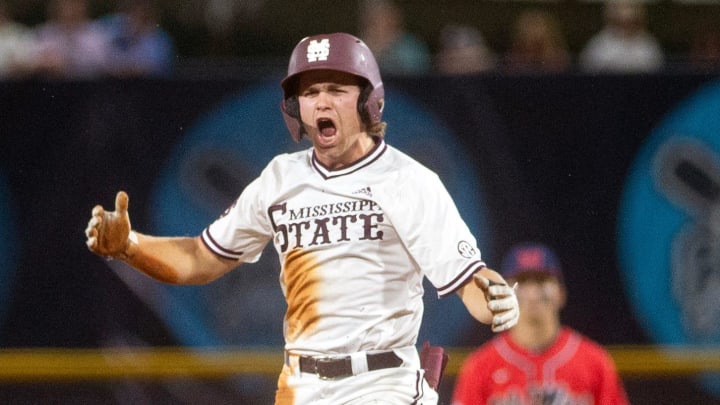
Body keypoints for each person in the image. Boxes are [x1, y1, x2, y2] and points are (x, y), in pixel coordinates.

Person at [85, 32, 520, 405]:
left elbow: (470, 280)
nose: (320, 102)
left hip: (383, 384)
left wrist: (495, 296)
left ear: (370, 101)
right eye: (309, 93)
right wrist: (130, 246)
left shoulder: (408, 180)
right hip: (303, 384)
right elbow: (202, 257)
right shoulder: (280, 177)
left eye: (336, 88)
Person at [452, 242, 630, 405]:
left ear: (561, 293)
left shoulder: (595, 363)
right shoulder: (480, 367)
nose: (532, 293)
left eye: (541, 280)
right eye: (521, 282)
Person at [29, 0, 110, 79]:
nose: (69, 10)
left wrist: (68, 64)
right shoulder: (44, 34)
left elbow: (104, 63)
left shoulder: (96, 33)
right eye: (64, 5)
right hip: (52, 88)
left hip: (91, 88)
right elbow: (33, 61)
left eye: (74, 4)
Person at [579, 0, 664, 73]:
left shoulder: (649, 46)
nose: (626, 24)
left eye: (631, 21)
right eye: (620, 22)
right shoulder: (598, 46)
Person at [98, 0, 176, 78]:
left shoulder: (161, 40)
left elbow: (157, 67)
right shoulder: (112, 30)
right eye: (133, 9)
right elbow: (102, 62)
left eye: (143, 10)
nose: (138, 14)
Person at [358, 0, 432, 76]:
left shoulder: (411, 47)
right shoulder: (361, 47)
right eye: (369, 18)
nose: (371, 24)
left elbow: (416, 79)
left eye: (379, 17)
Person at [503, 9, 571, 74]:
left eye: (539, 45)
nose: (533, 32)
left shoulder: (560, 60)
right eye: (529, 47)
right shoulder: (512, 62)